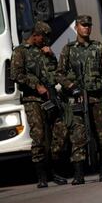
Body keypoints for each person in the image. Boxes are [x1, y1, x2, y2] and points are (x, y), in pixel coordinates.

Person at [56, 15, 102, 184]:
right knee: (78, 136)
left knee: (101, 137)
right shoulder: (68, 49)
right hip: (76, 100)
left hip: (96, 99)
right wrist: (71, 87)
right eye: (83, 25)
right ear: (76, 27)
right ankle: (79, 173)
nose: (87, 28)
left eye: (89, 25)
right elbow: (59, 74)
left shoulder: (97, 47)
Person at [10, 21, 68, 188]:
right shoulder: (20, 52)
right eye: (43, 38)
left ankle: (54, 169)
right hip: (33, 100)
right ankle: (42, 176)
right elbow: (15, 75)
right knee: (39, 136)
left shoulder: (45, 50)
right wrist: (36, 86)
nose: (45, 41)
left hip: (50, 98)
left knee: (58, 132)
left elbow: (56, 71)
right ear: (35, 35)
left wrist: (51, 55)